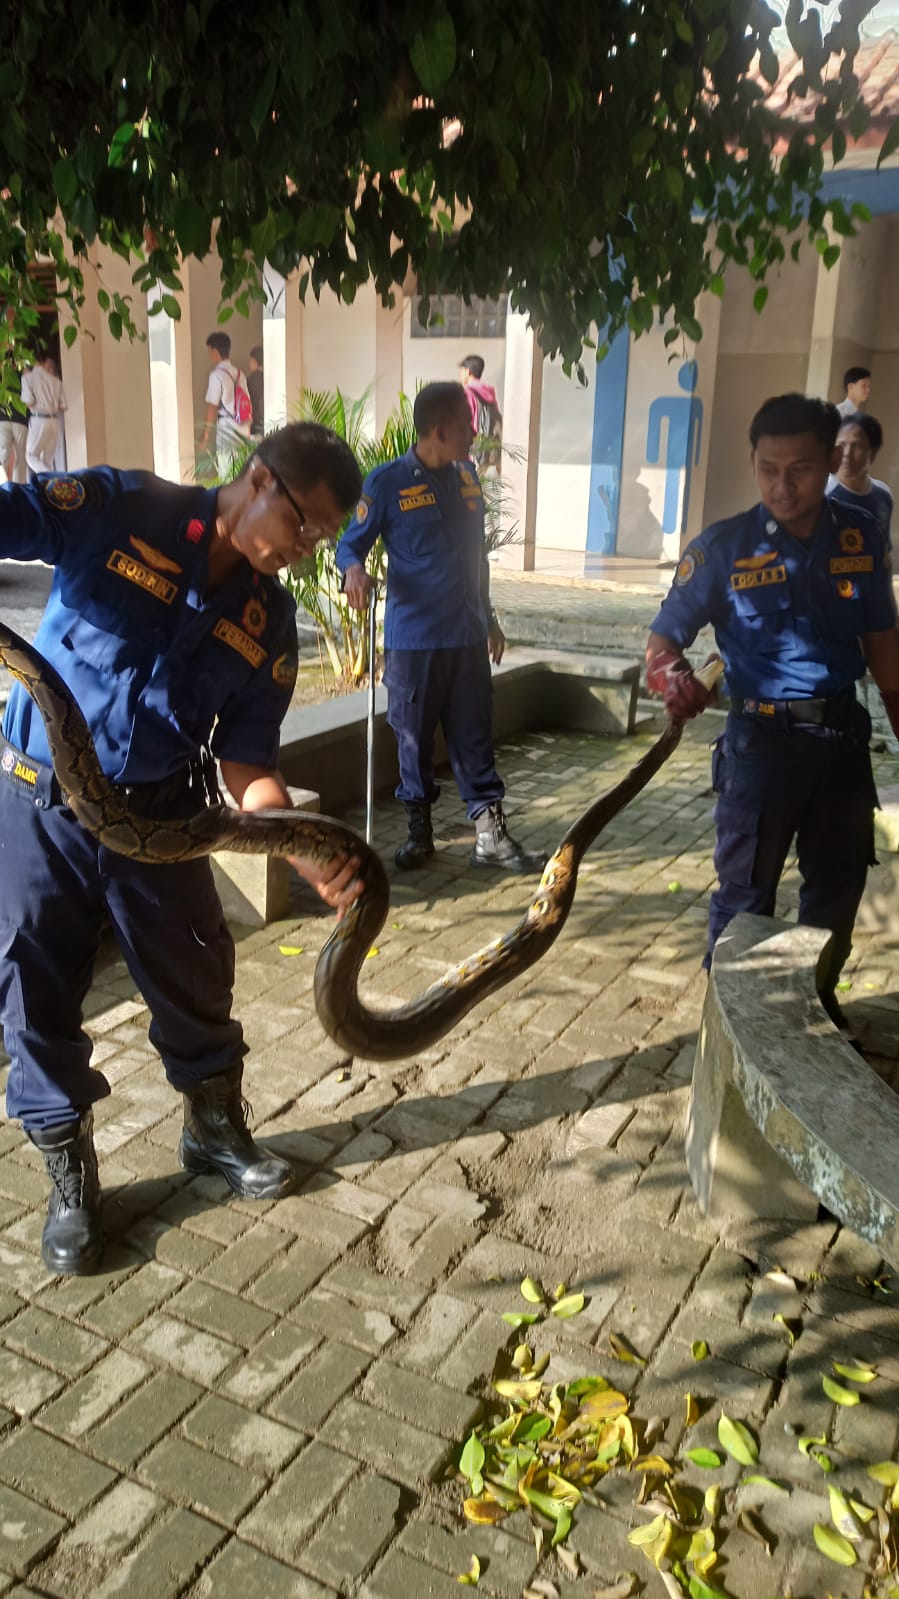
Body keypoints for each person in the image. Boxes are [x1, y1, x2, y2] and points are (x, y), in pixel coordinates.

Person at [0, 423, 364, 1275]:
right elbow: (14, 516)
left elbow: (248, 763)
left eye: (321, 539)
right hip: (37, 798)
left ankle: (212, 1127)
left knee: (198, 971)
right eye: (304, 525)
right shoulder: (127, 508)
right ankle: (70, 1176)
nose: (307, 551)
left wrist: (298, 845)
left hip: (160, 818)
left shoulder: (268, 622)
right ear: (260, 479)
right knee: (32, 982)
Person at [644, 393, 899, 1042]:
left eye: (800, 469)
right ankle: (729, 1032)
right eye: (767, 469)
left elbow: (886, 658)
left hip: (841, 740)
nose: (782, 486)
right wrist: (672, 681)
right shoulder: (721, 549)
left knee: (836, 891)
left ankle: (812, 1001)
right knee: (743, 898)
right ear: (753, 463)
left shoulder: (858, 537)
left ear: (830, 460)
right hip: (759, 746)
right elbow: (661, 647)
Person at [336, 381, 546, 873]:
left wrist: (490, 617)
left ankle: (490, 837)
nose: (475, 434)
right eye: (467, 426)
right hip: (414, 641)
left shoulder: (468, 477)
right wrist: (353, 571)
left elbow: (477, 558)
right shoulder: (386, 483)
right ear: (438, 429)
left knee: (475, 734)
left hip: (467, 635)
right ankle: (418, 831)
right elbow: (352, 544)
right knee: (412, 738)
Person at [827, 412, 892, 546]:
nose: (847, 454)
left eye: (858, 446)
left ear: (873, 453)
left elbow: (884, 549)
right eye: (842, 445)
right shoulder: (822, 492)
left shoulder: (883, 495)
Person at [201, 332, 251, 474]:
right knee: (242, 472)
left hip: (226, 429)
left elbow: (212, 406)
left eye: (209, 351)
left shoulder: (216, 375)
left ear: (215, 351)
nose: (209, 355)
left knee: (227, 472)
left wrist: (205, 435)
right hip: (243, 427)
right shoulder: (240, 374)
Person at [21, 350, 66, 478]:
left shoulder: (27, 378)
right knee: (47, 460)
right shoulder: (56, 381)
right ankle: (49, 486)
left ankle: (53, 477)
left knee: (31, 455)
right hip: (54, 421)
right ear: (45, 361)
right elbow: (63, 406)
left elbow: (28, 402)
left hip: (38, 419)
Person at [459, 354, 503, 471]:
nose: (461, 375)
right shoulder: (489, 393)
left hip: (473, 453)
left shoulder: (468, 392)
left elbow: (465, 422)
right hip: (490, 452)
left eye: (461, 371)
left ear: (468, 371)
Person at [248, 345, 265, 438]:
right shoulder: (269, 379)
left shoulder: (250, 380)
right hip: (267, 422)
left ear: (254, 361)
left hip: (254, 424)